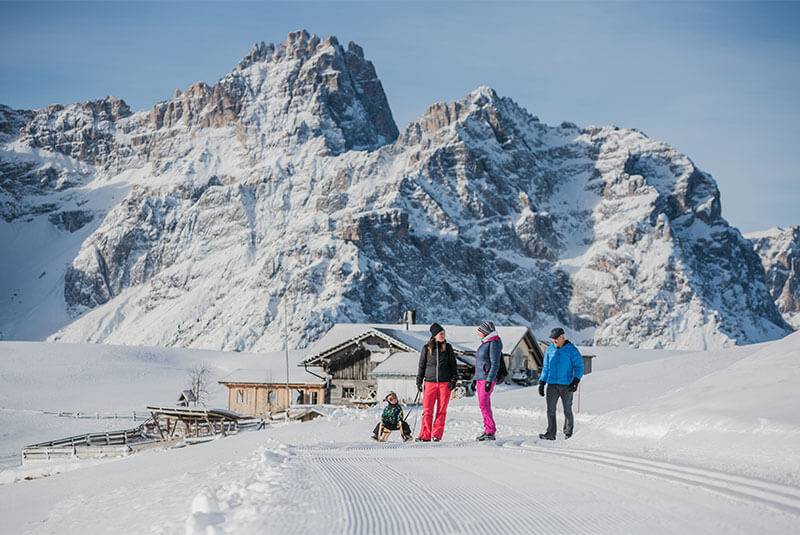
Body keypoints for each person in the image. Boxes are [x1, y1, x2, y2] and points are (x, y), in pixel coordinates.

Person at [538, 327, 584, 440]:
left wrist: (575, 381)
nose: (553, 341)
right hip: (552, 384)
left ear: (562, 337)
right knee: (550, 409)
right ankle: (550, 433)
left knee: (567, 410)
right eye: (552, 339)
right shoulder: (550, 350)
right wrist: (542, 382)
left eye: (556, 339)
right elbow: (546, 368)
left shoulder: (572, 350)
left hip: (567, 385)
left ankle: (568, 433)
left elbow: (579, 367)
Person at [415, 322, 458, 442]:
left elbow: (453, 365)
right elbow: (422, 366)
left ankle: (436, 435)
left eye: (444, 333)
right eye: (441, 334)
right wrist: (419, 381)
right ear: (435, 335)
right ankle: (425, 435)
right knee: (427, 411)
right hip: (429, 383)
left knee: (441, 411)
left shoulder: (448, 348)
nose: (443, 335)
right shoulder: (426, 348)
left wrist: (454, 379)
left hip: (445, 383)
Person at [475, 321, 503, 441]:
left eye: (480, 331)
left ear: (485, 332)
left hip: (487, 378)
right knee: (484, 405)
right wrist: (475, 378)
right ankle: (488, 430)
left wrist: (489, 380)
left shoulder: (494, 343)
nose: (478, 334)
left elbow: (495, 363)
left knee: (484, 405)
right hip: (481, 378)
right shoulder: (486, 342)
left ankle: (490, 431)